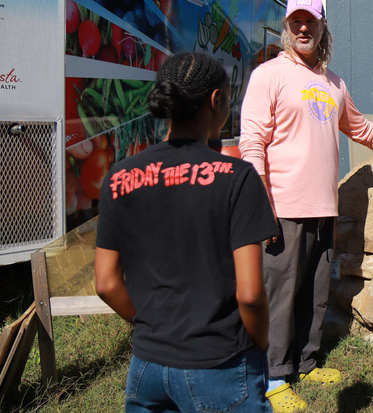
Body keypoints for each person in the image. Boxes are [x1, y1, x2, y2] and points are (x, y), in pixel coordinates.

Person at [239, 0, 373, 412]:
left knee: (314, 291)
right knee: (281, 295)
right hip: (282, 207)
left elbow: (360, 128)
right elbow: (252, 142)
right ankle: (273, 378)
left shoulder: (333, 83)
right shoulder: (269, 75)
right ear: (287, 27)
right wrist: (260, 201)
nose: (303, 28)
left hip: (324, 206)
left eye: (311, 21)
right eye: (296, 21)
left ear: (323, 27)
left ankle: (306, 363)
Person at [95, 52, 279, 412]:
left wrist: (150, 326)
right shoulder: (238, 178)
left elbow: (106, 283)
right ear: (216, 100)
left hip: (147, 366)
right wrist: (259, 343)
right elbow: (250, 294)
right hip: (221, 363)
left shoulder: (119, 177)